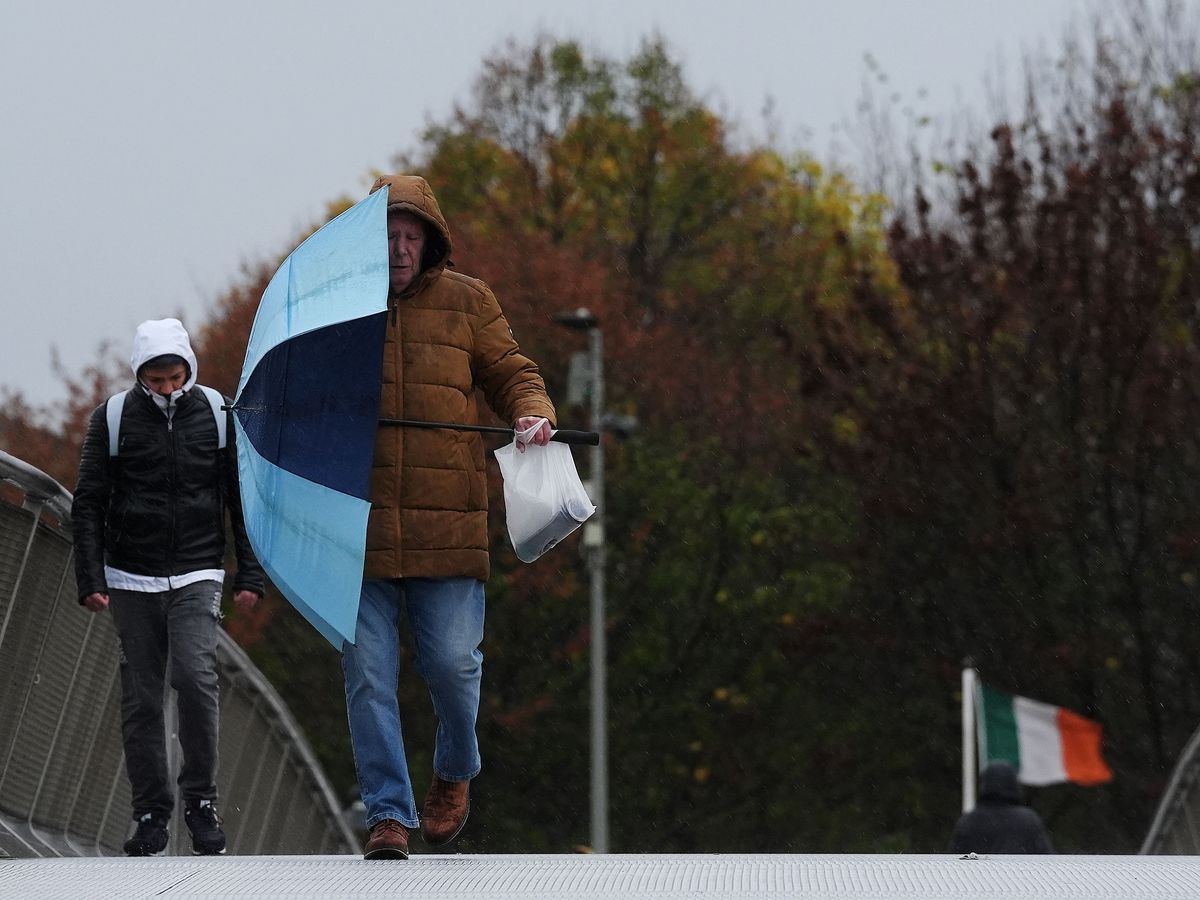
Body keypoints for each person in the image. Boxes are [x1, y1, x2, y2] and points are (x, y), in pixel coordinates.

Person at [348, 174, 557, 860]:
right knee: (370, 677)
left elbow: (512, 372)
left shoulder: (470, 301)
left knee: (452, 668)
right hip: (360, 530)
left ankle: (453, 771)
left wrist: (533, 413)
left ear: (430, 241)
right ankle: (387, 813)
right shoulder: (339, 304)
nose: (400, 248)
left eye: (411, 236)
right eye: (389, 236)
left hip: (448, 528)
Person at [72, 317, 264, 857]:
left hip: (199, 568)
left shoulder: (219, 415)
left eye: (174, 376)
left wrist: (248, 572)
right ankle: (151, 813)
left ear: (188, 368)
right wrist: (90, 576)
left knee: (195, 677)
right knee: (142, 695)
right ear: (140, 375)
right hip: (130, 574)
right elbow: (87, 501)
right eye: (155, 379)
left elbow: (239, 498)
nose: (166, 388)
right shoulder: (111, 419)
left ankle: (200, 803)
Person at [949, 761, 1054, 854]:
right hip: (1020, 875)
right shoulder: (1029, 819)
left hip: (979, 876)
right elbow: (1046, 860)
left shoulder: (968, 821)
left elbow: (954, 862)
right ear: (1014, 784)